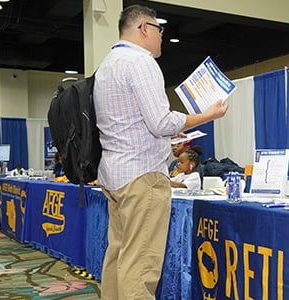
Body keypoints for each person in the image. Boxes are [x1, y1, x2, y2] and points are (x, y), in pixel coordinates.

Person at [93, 5, 228, 299]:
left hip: (115, 175)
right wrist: (207, 115)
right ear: (144, 28)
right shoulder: (141, 63)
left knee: (118, 257)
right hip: (141, 177)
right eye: (159, 30)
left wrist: (172, 129)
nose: (161, 37)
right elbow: (161, 122)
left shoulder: (108, 64)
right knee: (140, 266)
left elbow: (131, 122)